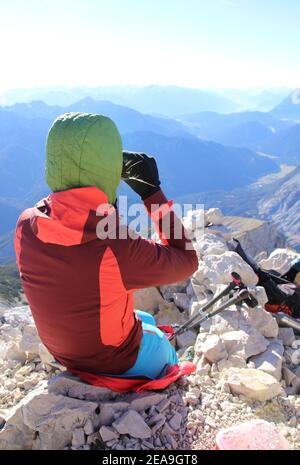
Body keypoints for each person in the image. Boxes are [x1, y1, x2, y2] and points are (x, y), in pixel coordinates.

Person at [14, 112, 198, 380]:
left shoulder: (26, 224)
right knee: (160, 342)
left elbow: (75, 261)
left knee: (144, 318)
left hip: (61, 351)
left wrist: (102, 203)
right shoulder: (113, 243)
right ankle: (174, 368)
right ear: (107, 170)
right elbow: (186, 260)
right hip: (112, 360)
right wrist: (151, 192)